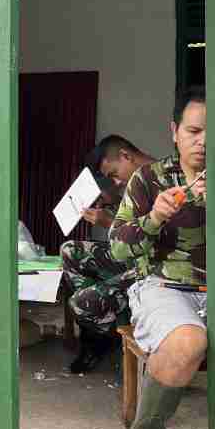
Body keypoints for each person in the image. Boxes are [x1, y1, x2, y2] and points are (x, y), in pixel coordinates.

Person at [109, 86, 207, 429]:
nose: (203, 142)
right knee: (187, 341)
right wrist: (153, 218)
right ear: (174, 131)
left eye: (213, 133)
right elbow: (117, 248)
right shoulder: (149, 179)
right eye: (194, 131)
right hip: (164, 285)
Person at [61, 136, 155, 373]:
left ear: (126, 156)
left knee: (80, 303)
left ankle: (102, 329)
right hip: (128, 258)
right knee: (71, 250)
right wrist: (111, 205)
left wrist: (109, 222)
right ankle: (97, 329)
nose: (116, 181)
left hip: (150, 266)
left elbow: (152, 240)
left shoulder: (160, 179)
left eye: (114, 174)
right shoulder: (133, 181)